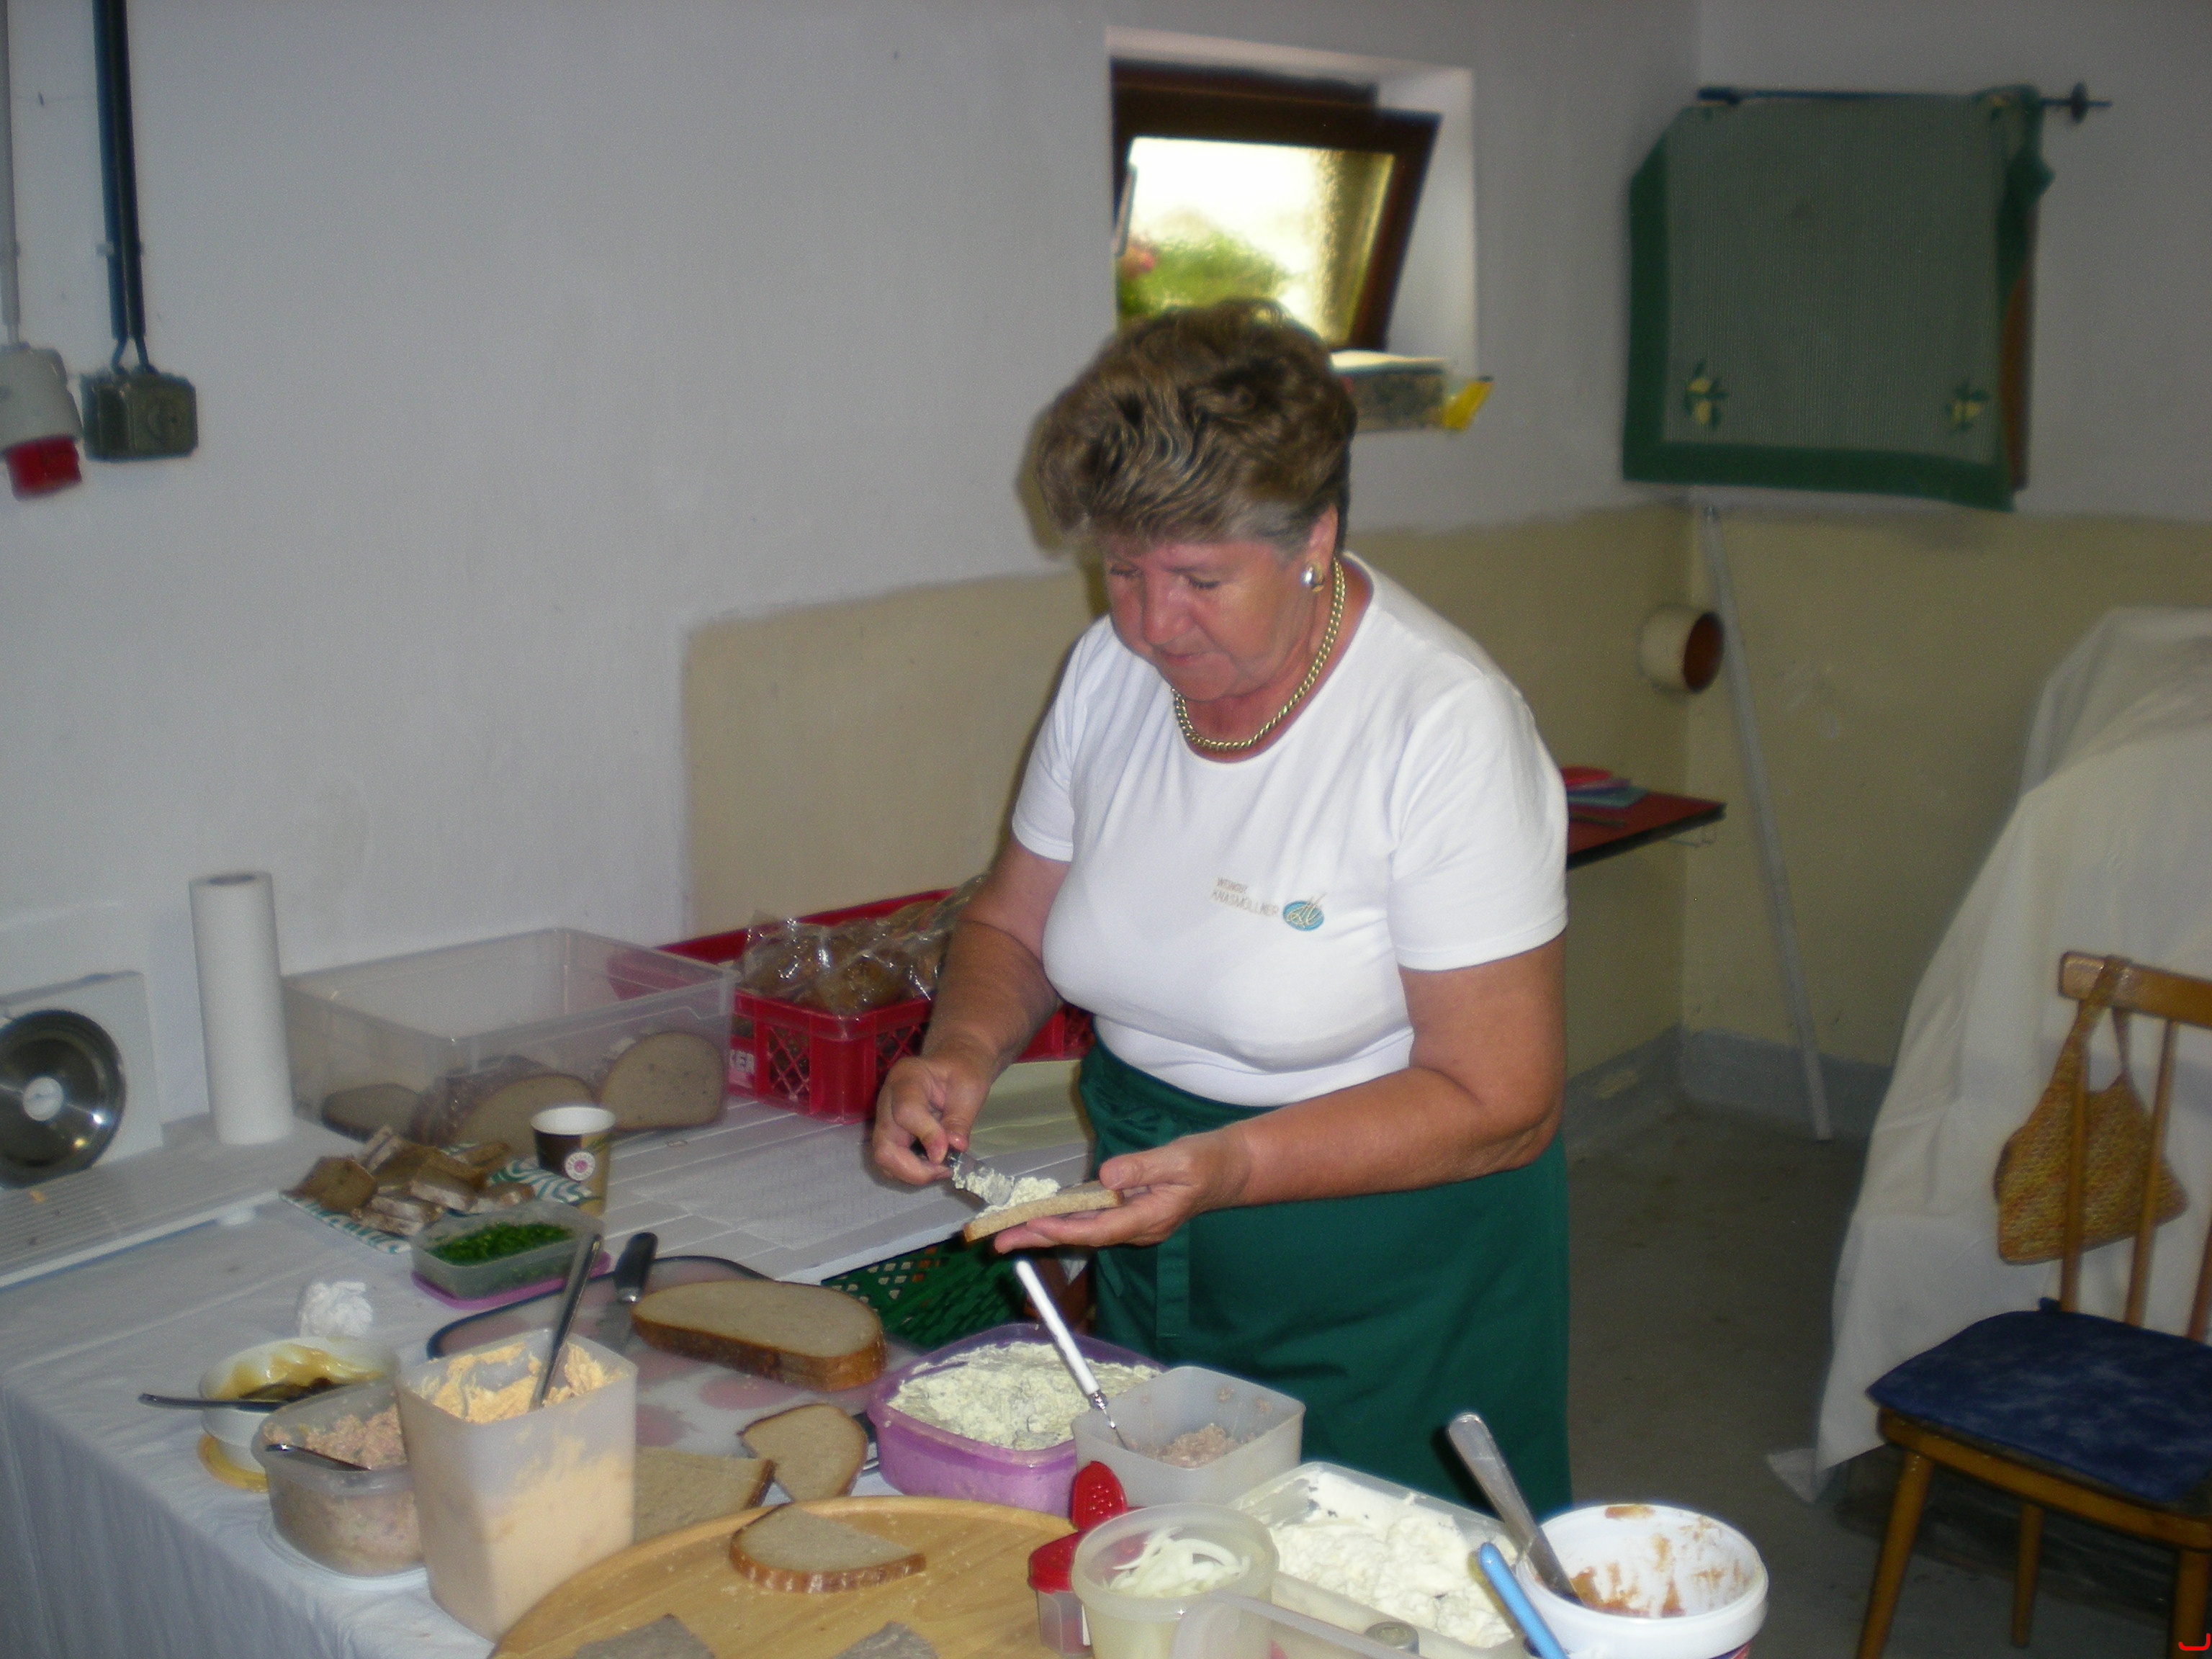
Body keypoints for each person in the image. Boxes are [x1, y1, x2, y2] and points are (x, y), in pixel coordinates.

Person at [871, 299, 1570, 1511]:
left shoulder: (1442, 725)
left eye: (1200, 578)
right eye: (1122, 571)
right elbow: (1012, 925)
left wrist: (1233, 1168)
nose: (1152, 623)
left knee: (1375, 1569)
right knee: (1169, 1556)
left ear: (1316, 536)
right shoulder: (1111, 675)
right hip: (1158, 1219)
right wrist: (962, 1050)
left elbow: (1500, 1100)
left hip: (1388, 1270)